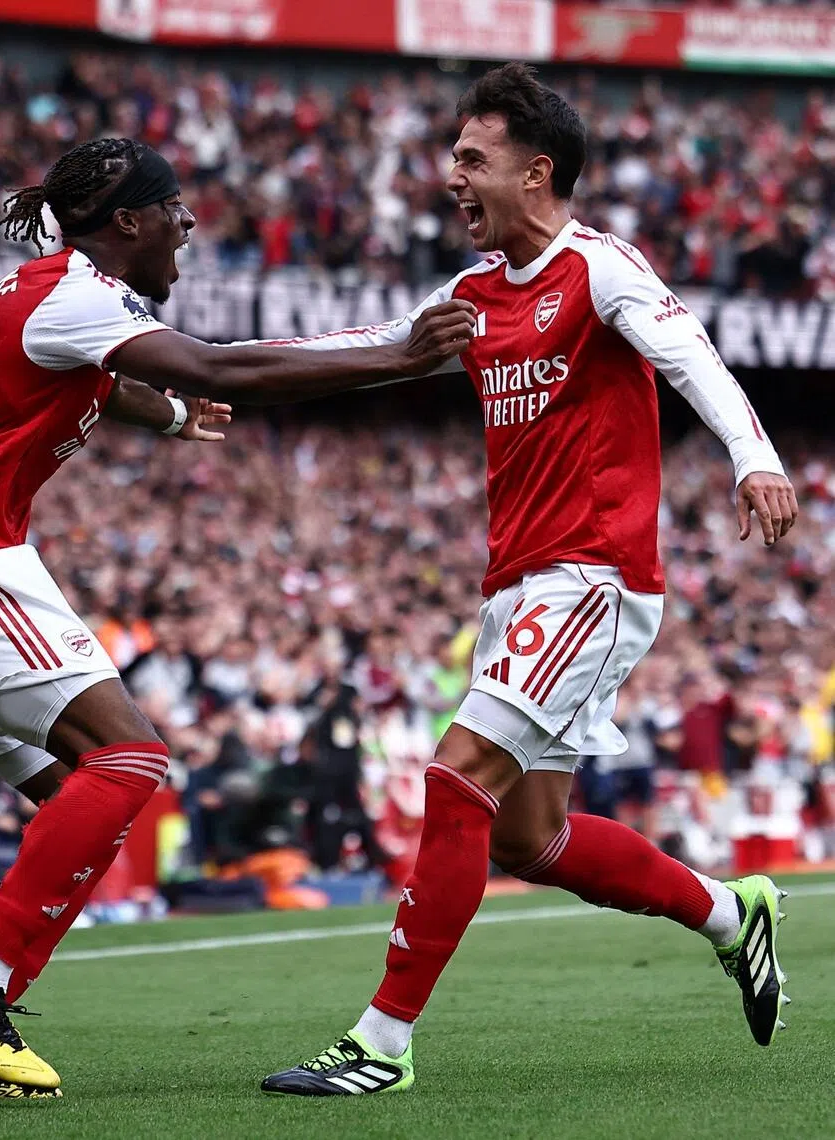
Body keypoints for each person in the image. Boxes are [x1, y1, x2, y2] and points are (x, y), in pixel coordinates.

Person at [0, 136, 475, 1101]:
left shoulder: (61, 297)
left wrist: (173, 419)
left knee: (87, 799)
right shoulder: (75, 294)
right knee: (132, 760)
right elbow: (222, 366)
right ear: (129, 221)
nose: (189, 226)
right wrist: (398, 356)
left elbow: (101, 381)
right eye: (175, 209)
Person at [260, 63, 799, 1097]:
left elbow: (693, 359)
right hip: (517, 584)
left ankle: (380, 1042)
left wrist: (756, 456)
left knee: (454, 779)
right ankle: (735, 915)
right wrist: (194, 364)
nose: (449, 176)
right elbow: (363, 348)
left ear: (535, 172)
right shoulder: (467, 297)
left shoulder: (599, 269)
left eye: (472, 158)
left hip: (592, 577)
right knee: (530, 836)